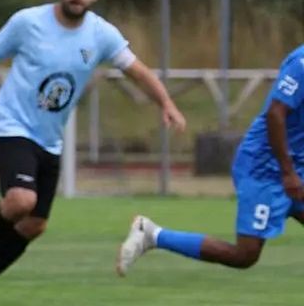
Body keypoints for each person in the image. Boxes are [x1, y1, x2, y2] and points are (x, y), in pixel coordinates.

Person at [0, 0, 188, 306]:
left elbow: (137, 71)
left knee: (34, 225)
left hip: (51, 139)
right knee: (21, 200)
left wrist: (166, 102)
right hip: (12, 127)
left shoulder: (101, 34)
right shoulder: (27, 22)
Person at [117, 43, 304, 275]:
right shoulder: (301, 64)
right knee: (245, 255)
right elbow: (276, 114)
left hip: (296, 165)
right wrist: (288, 173)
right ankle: (152, 235)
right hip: (266, 168)